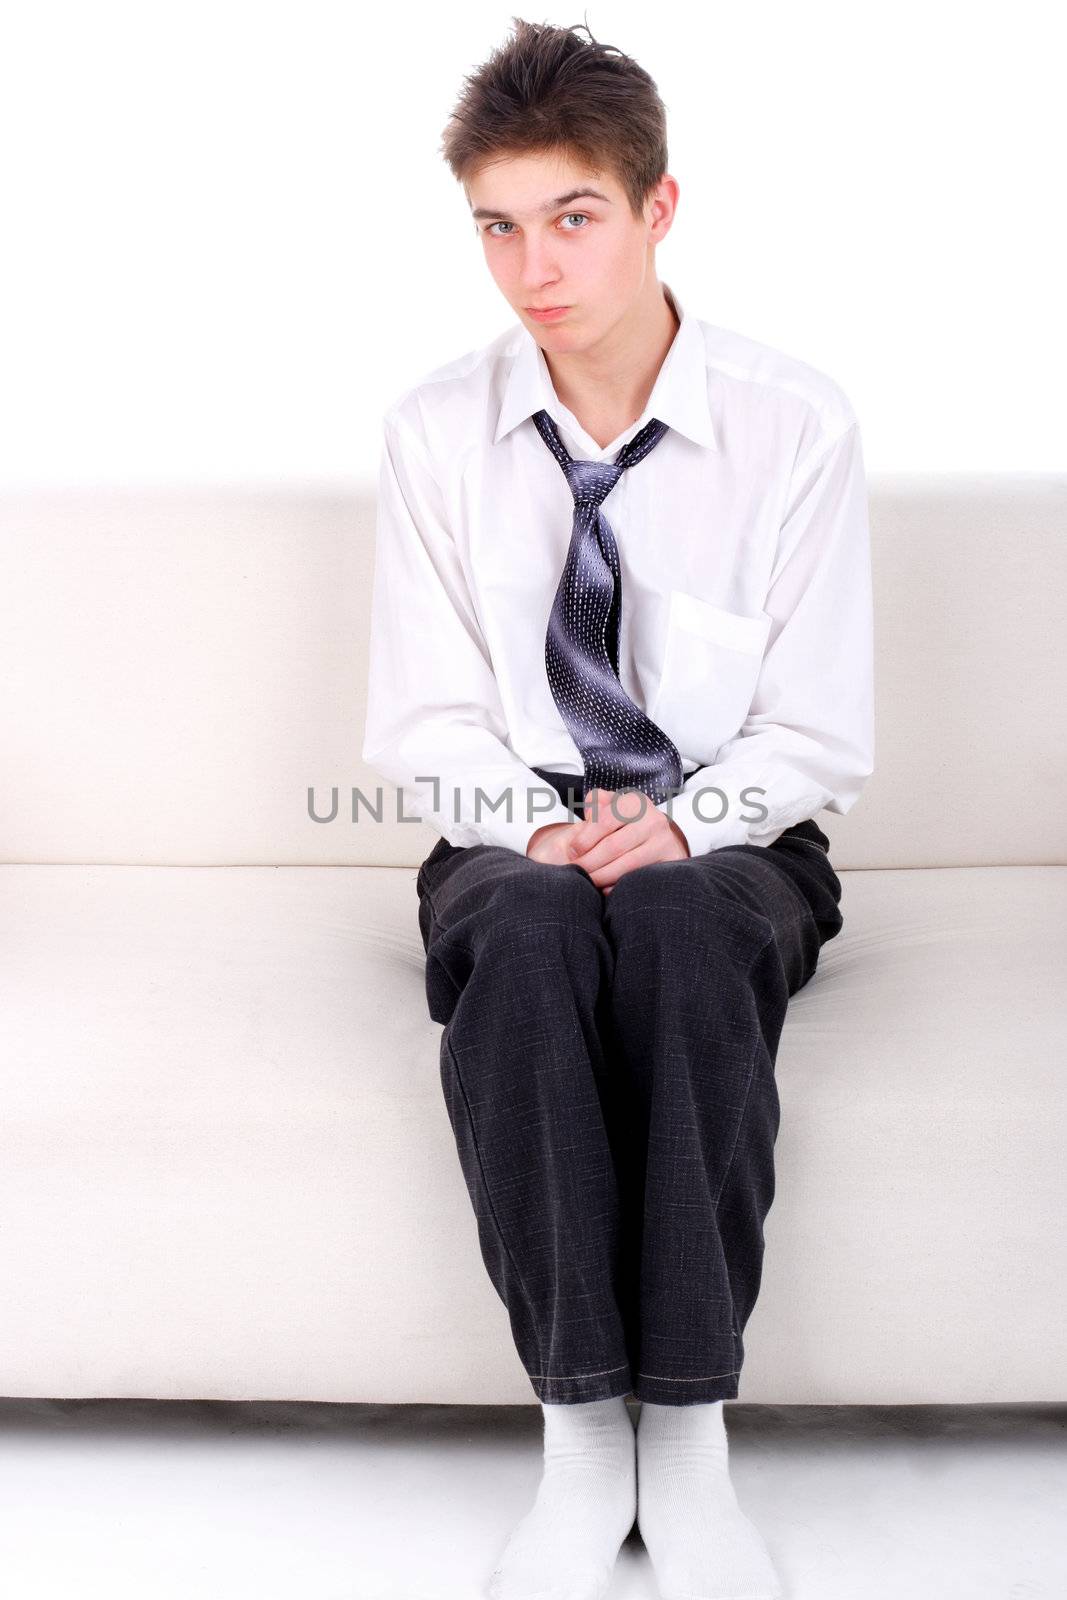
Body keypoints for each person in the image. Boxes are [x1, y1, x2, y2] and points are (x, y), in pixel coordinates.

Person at [360, 18, 874, 1600]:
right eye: (497, 227)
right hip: (512, 835)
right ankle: (585, 1436)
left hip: (733, 840)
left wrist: (687, 819)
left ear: (658, 210)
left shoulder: (794, 425)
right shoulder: (438, 430)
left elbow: (818, 730)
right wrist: (536, 828)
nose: (532, 266)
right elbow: (424, 718)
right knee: (525, 935)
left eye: (572, 216)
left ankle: (692, 1440)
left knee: (666, 910)